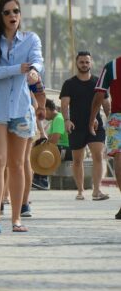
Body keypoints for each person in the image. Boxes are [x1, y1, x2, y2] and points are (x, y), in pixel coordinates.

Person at [0, 0, 43, 233]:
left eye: (16, 11)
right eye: (7, 12)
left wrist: (34, 71)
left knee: (17, 164)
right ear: (0, 16)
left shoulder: (31, 39)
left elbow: (37, 61)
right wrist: (17, 68)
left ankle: (16, 218)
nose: (12, 16)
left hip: (22, 108)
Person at [61, 51, 111, 201]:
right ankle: (80, 190)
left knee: (98, 156)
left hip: (96, 126)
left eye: (87, 62)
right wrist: (66, 120)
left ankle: (96, 190)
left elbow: (106, 104)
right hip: (76, 126)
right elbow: (64, 104)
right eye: (81, 62)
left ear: (91, 63)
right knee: (77, 160)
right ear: (76, 63)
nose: (84, 64)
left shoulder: (98, 83)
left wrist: (111, 122)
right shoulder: (69, 84)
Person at [90, 54, 121, 219]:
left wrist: (92, 119)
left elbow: (99, 96)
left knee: (118, 158)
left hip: (117, 118)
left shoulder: (112, 66)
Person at [32, 99, 66, 190]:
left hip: (66, 149)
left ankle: (42, 179)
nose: (42, 116)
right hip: (60, 147)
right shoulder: (54, 120)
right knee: (39, 145)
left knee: (44, 150)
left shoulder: (58, 119)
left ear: (46, 109)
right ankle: (38, 177)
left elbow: (54, 140)